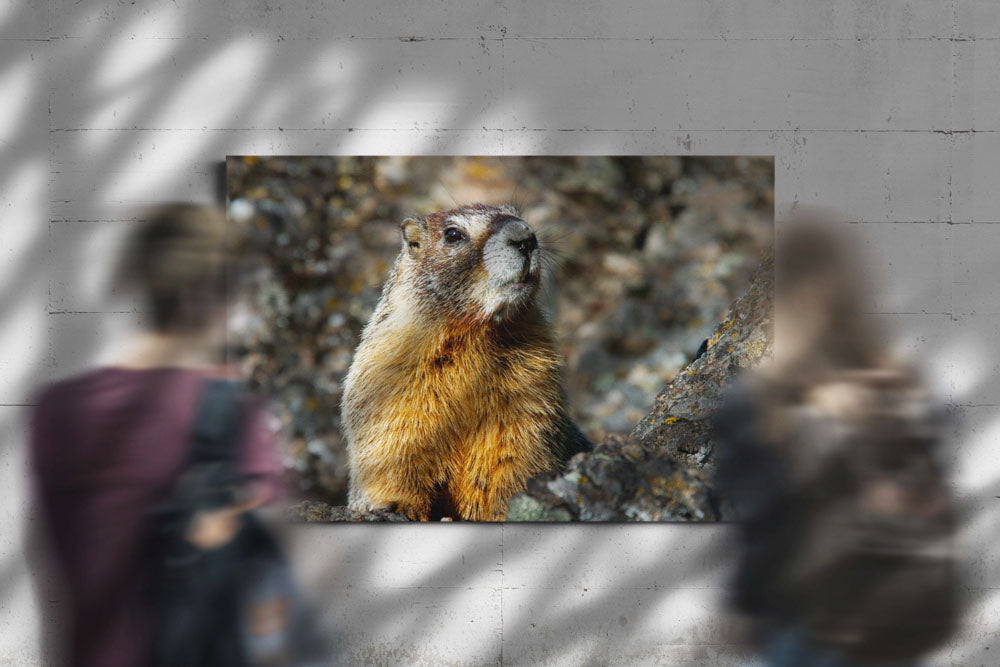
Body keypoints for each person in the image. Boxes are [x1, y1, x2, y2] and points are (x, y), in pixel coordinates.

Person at [29, 203, 282, 667]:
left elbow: (55, 578)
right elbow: (273, 596)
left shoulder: (56, 410)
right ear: (202, 297)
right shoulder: (230, 417)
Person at [715, 217, 959, 666]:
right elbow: (940, 494)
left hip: (806, 619)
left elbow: (764, 522)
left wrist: (744, 605)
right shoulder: (903, 385)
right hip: (894, 612)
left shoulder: (762, 401)